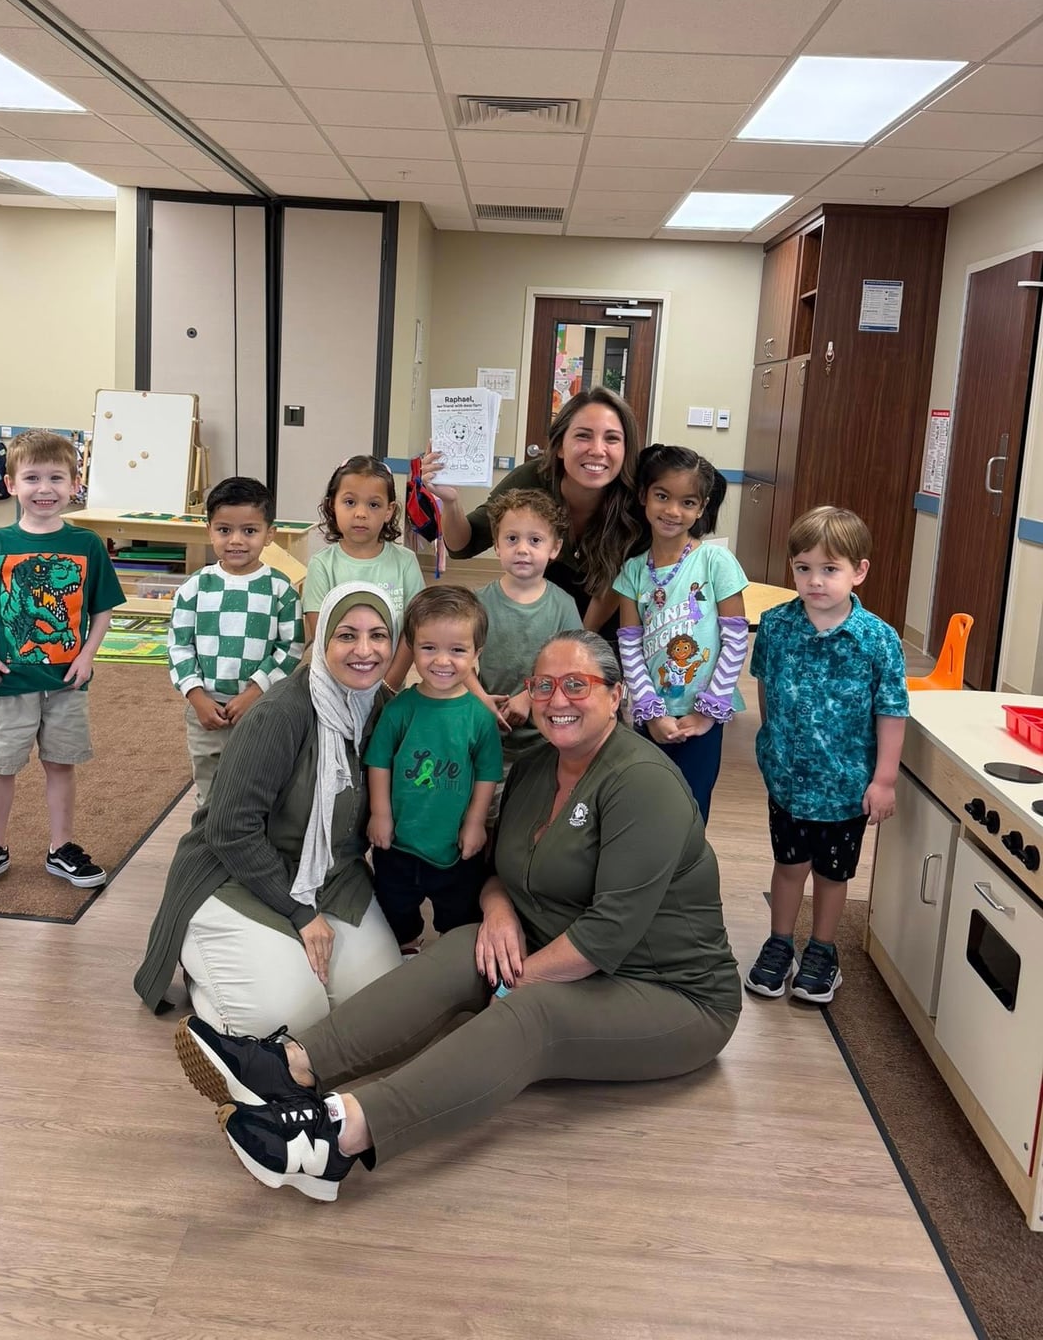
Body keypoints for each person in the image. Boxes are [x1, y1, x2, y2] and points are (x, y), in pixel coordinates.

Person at [171, 631, 741, 1202]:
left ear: (616, 696)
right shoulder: (538, 765)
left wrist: (509, 986)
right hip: (568, 948)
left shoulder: (643, 782)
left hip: (670, 992)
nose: (556, 699)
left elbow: (607, 934)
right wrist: (496, 913)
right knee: (467, 944)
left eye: (577, 685)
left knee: (531, 1012)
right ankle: (291, 1065)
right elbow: (498, 870)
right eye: (542, 685)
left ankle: (335, 1139)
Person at [134, 582, 402, 1033]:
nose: (365, 650)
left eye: (378, 635)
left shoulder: (384, 710)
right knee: (285, 1018)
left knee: (377, 1007)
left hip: (329, 878)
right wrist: (301, 915)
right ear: (322, 641)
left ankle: (281, 960)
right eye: (346, 635)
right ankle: (206, 975)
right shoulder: (281, 713)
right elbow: (229, 829)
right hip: (234, 874)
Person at [0, 429, 125, 894]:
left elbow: (101, 607)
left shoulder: (88, 545)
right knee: (1, 764)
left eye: (56, 478)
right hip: (11, 679)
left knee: (61, 763)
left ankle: (61, 846)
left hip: (67, 681)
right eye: (32, 478)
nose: (45, 488)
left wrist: (88, 653)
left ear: (74, 484)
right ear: (11, 485)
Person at [745, 507, 908, 1005]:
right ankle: (780, 944)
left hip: (845, 787)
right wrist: (773, 746)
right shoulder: (774, 626)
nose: (815, 581)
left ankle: (822, 950)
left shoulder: (878, 639)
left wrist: (884, 780)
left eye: (830, 569)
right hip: (788, 782)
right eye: (803, 568)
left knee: (832, 875)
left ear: (859, 571)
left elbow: (892, 712)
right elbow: (766, 691)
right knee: (789, 864)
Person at [421, 387, 643, 643]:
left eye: (612, 439)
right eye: (583, 436)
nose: (597, 449)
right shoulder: (532, 478)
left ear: (626, 449)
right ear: (559, 447)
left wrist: (579, 645)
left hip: (610, 623)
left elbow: (614, 589)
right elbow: (462, 545)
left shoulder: (635, 500)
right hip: (539, 616)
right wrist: (451, 501)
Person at [365, 585, 503, 954]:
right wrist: (380, 813)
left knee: (459, 912)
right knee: (395, 907)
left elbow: (488, 773)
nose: (442, 661)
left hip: (455, 845)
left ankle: (447, 961)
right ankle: (407, 947)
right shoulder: (399, 710)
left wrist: (475, 822)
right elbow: (378, 762)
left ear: (477, 653)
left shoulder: (479, 717)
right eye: (429, 648)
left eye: (457, 650)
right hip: (398, 842)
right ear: (411, 648)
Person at [613, 444, 748, 824]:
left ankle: (685, 882)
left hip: (701, 718)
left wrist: (708, 711)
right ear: (644, 497)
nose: (673, 511)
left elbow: (736, 639)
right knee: (646, 808)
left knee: (691, 810)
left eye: (687, 502)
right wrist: (649, 710)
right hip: (650, 718)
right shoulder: (633, 572)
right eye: (662, 496)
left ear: (702, 507)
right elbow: (629, 645)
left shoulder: (715, 561)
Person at [167, 475, 304, 810]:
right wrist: (197, 697)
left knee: (258, 789)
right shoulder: (194, 588)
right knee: (209, 794)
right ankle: (207, 852)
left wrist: (254, 693)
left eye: (250, 531)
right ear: (209, 529)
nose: (236, 541)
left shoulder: (280, 588)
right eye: (224, 530)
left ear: (269, 534)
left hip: (260, 710)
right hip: (206, 712)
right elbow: (179, 647)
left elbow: (292, 647)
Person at [472, 489, 584, 776]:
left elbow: (575, 669)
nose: (522, 549)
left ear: (554, 548)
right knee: (487, 810)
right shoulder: (478, 603)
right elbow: (458, 661)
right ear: (497, 545)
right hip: (485, 734)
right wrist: (481, 699)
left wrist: (530, 696)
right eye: (512, 539)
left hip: (546, 740)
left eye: (535, 540)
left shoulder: (563, 606)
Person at [303, 455, 424, 690]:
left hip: (389, 688)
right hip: (335, 687)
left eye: (374, 504)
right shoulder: (322, 565)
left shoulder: (405, 562)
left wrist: (388, 685)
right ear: (332, 505)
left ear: (389, 511)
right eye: (350, 502)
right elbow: (322, 635)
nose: (361, 513)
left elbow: (415, 630)